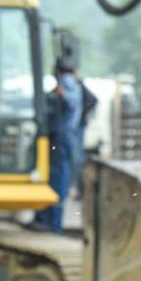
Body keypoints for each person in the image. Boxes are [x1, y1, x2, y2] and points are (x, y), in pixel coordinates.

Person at [32, 58, 84, 233]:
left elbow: (69, 101)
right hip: (62, 136)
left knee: (57, 178)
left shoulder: (66, 81)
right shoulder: (72, 82)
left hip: (60, 137)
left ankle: (52, 223)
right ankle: (48, 220)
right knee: (54, 177)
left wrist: (61, 93)